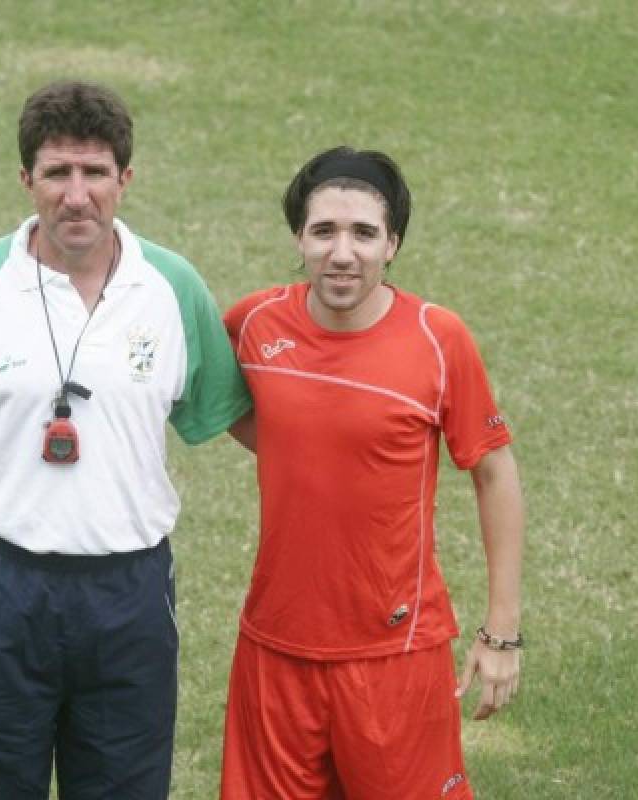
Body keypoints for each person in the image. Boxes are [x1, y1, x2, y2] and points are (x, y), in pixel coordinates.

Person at [0, 80, 251, 800]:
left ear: (125, 180)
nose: (77, 196)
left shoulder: (172, 287)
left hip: (130, 594)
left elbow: (241, 419)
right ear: (26, 181)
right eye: (57, 173)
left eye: (95, 173)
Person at [220, 147, 525, 800]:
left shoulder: (439, 340)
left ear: (392, 245)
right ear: (299, 238)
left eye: (363, 233)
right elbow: (216, 403)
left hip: (396, 656)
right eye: (324, 230)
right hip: (274, 649)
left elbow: (495, 474)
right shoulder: (253, 324)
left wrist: (501, 633)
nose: (342, 252)